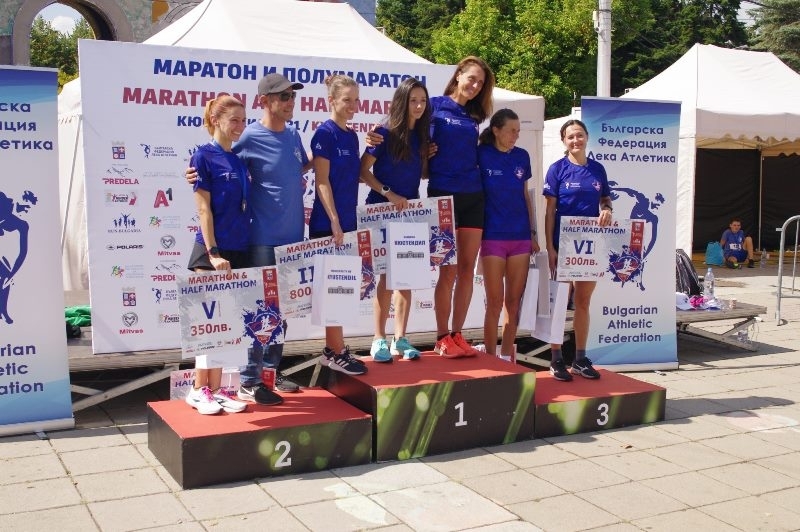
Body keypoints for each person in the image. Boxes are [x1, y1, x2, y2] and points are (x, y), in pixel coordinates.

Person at [186, 73, 310, 406]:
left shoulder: (294, 135)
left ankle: (270, 373)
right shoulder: (248, 136)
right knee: (257, 312)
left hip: (292, 241)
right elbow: (213, 162)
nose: (290, 102)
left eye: (292, 96)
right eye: (283, 96)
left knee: (280, 313)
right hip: (260, 239)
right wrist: (193, 175)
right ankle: (249, 379)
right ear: (266, 101)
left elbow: (300, 169)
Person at [367, 56, 495, 358]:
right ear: (458, 75)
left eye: (481, 83)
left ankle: (457, 334)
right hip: (443, 195)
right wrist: (374, 134)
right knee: (448, 271)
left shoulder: (474, 115)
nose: (475, 86)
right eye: (472, 78)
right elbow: (405, 130)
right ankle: (441, 336)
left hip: (473, 194)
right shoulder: (433, 105)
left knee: (467, 269)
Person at [184, 95, 249, 415]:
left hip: (237, 248)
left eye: (243, 120)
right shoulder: (202, 156)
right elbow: (203, 210)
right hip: (212, 252)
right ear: (216, 120)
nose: (240, 126)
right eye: (234, 120)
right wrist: (213, 253)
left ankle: (219, 388)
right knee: (208, 325)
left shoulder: (237, 158)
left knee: (225, 326)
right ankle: (198, 389)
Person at [360, 77, 431, 362]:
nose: (418, 106)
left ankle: (400, 338)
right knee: (386, 277)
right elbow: (362, 171)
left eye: (422, 101)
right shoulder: (383, 131)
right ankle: (378, 338)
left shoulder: (422, 135)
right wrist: (389, 193)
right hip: (381, 210)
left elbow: (419, 174)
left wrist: (429, 158)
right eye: (413, 101)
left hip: (410, 212)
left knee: (406, 277)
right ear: (402, 102)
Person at [543, 119, 612, 381]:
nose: (576, 140)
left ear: (587, 137)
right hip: (563, 243)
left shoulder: (597, 169)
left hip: (589, 244)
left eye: (579, 135)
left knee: (583, 301)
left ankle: (580, 359)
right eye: (570, 137)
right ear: (564, 141)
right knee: (560, 302)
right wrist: (550, 247)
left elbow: (605, 198)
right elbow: (550, 212)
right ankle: (556, 358)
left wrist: (607, 209)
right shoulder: (557, 169)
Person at [308, 74, 368, 375]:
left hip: (348, 223)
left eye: (356, 100)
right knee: (332, 291)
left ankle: (335, 349)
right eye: (347, 100)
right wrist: (333, 220)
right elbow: (322, 181)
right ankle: (335, 351)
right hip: (328, 225)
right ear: (331, 101)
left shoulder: (352, 136)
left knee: (342, 289)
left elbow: (353, 177)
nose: (353, 106)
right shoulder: (325, 133)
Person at [478, 109, 539, 361]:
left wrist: (533, 232)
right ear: (496, 130)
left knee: (513, 303)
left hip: (520, 237)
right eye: (511, 130)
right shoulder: (481, 154)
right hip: (492, 235)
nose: (516, 135)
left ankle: (505, 358)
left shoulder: (522, 156)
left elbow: (525, 196)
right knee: (494, 302)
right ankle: (490, 359)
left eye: (518, 131)